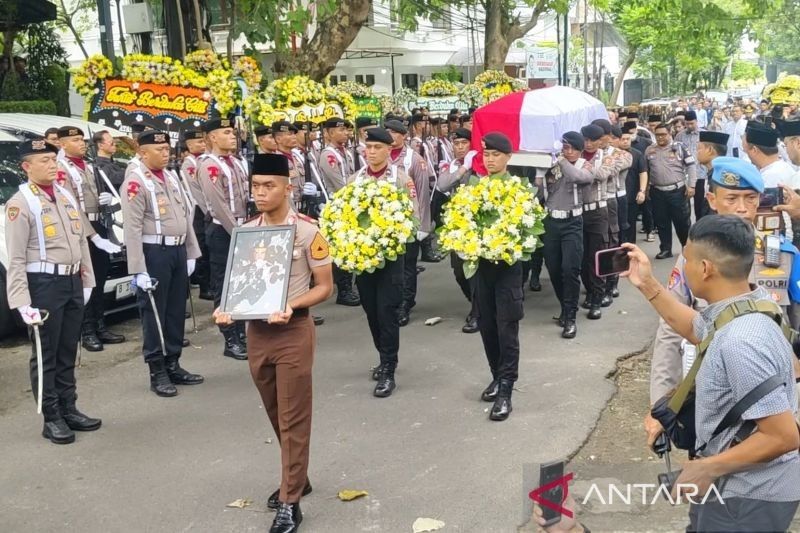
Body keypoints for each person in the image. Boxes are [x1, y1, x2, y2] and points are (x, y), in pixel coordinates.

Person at [625, 215, 800, 532]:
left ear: (705, 269)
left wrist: (705, 469)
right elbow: (698, 329)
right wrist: (647, 284)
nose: (684, 266)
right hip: (738, 488)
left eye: (687, 259)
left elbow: (782, 436)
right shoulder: (753, 304)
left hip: (746, 499)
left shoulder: (741, 342)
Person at [214, 153, 333, 533]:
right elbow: (239, 284)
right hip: (258, 334)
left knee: (293, 414)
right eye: (255, 186)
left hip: (293, 332)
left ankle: (290, 501)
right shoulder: (248, 231)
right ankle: (298, 477)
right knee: (273, 410)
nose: (260, 193)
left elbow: (325, 287)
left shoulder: (308, 231)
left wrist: (291, 304)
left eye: (269, 186)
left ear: (288, 188)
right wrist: (225, 307)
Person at [646, 157, 800, 442]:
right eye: (732, 198)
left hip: (771, 394)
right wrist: (661, 403)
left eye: (750, 198)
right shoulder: (694, 255)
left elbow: (794, 327)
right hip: (711, 393)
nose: (742, 208)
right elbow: (670, 331)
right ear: (712, 200)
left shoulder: (784, 254)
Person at [5, 138, 101, 444]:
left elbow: (81, 240)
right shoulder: (20, 204)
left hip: (71, 281)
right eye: (43, 160)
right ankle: (52, 416)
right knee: (46, 352)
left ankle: (69, 407)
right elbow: (16, 258)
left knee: (67, 349)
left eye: (53, 158)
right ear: (26, 167)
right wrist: (21, 302)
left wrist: (88, 280)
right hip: (43, 285)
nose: (51, 165)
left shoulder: (63, 195)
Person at [120, 130, 204, 397]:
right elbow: (131, 229)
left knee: (176, 310)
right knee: (155, 312)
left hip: (177, 249)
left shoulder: (170, 176)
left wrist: (191, 251)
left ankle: (173, 362)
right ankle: (157, 370)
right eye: (159, 150)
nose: (166, 153)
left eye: (167, 148)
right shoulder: (136, 182)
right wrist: (138, 269)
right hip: (154, 251)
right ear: (143, 153)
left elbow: (184, 214)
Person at [347, 127, 419, 398]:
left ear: (390, 150)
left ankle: (389, 367)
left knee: (387, 310)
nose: (372, 152)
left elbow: (413, 216)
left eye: (378, 148)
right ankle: (383, 354)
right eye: (369, 147)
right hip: (362, 257)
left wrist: (392, 234)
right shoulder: (355, 179)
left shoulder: (400, 179)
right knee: (370, 309)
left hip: (390, 258)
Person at [55, 126, 124, 352]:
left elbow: (102, 191)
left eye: (82, 139)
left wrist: (108, 200)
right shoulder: (61, 168)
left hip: (99, 223)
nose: (82, 143)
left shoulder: (90, 165)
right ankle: (86, 331)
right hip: (80, 229)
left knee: (100, 277)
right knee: (87, 280)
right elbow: (72, 206)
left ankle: (100, 325)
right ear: (63, 144)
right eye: (75, 140)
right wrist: (92, 236)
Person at [473, 132, 525, 420]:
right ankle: (496, 374)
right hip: (482, 267)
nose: (490, 160)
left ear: (508, 157)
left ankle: (506, 389)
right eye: (486, 154)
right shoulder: (475, 187)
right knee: (487, 326)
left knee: (507, 328)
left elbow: (527, 230)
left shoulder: (518, 189)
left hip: (507, 268)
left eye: (495, 155)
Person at [197, 117, 250, 360]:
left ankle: (241, 332)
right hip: (223, 231)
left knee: (240, 284)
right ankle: (230, 337)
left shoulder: (237, 162)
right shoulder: (210, 165)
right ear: (212, 137)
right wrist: (237, 232)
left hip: (241, 227)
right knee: (225, 285)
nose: (232, 136)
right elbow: (217, 205)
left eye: (233, 132)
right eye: (226, 132)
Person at [539, 132, 592, 339]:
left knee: (570, 269)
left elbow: (580, 178)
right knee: (553, 268)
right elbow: (539, 189)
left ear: (579, 150)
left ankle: (570, 316)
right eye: (564, 147)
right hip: (551, 221)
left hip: (573, 222)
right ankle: (564, 306)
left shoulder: (583, 165)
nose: (567, 151)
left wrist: (561, 160)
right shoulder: (551, 165)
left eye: (571, 148)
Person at [385, 119, 434, 326]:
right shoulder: (381, 156)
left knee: (407, 266)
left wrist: (423, 226)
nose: (390, 136)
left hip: (408, 221)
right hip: (386, 221)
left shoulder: (414, 159)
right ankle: (392, 301)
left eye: (394, 133)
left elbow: (422, 194)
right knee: (389, 266)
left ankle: (405, 303)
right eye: (387, 132)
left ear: (403, 135)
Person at [436, 127, 479, 334]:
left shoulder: (479, 164)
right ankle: (478, 303)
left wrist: (472, 166)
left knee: (475, 271)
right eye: (457, 144)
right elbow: (442, 185)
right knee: (459, 271)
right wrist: (462, 169)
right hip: (457, 224)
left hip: (477, 223)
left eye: (464, 143)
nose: (460, 147)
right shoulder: (452, 165)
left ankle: (478, 312)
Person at [578, 124, 622, 320]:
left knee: (596, 255)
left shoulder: (608, 156)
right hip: (578, 211)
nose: (588, 144)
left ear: (600, 141)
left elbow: (604, 174)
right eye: (585, 140)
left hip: (599, 209)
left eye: (592, 140)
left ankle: (598, 296)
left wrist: (583, 169)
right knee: (580, 256)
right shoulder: (576, 154)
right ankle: (590, 291)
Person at [318, 117, 361, 307]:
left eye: (346, 129)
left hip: (349, 202)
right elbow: (339, 183)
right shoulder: (329, 155)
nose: (345, 133)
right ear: (328, 133)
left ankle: (350, 285)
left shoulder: (347, 153)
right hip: (338, 204)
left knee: (350, 246)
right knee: (342, 248)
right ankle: (344, 290)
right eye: (340, 130)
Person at [646, 123, 696, 260]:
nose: (660, 138)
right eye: (657, 135)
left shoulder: (680, 147)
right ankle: (666, 249)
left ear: (670, 133)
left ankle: (687, 248)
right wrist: (645, 190)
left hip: (677, 191)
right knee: (661, 222)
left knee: (682, 222)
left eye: (663, 134)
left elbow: (691, 166)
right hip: (657, 191)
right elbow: (646, 171)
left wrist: (692, 185)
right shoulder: (650, 150)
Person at [179, 128, 213, 300]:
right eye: (199, 142)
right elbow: (196, 191)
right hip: (198, 211)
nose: (202, 144)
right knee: (200, 248)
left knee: (207, 248)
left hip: (206, 209)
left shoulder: (204, 159)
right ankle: (203, 285)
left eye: (203, 141)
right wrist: (209, 210)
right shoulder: (189, 164)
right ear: (189, 145)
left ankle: (208, 283)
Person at [675, 110, 709, 221]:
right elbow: (675, 152)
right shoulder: (680, 136)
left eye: (692, 123)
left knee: (699, 203)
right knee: (684, 204)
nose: (689, 126)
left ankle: (699, 225)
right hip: (684, 174)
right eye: (687, 124)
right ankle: (686, 226)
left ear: (696, 122)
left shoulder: (704, 134)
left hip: (700, 173)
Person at [620, 125, 649, 244]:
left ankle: (631, 251)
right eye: (623, 139)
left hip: (631, 196)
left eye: (628, 138)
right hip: (616, 197)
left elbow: (643, 173)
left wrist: (642, 191)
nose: (626, 141)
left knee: (630, 225)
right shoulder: (612, 155)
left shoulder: (637, 154)